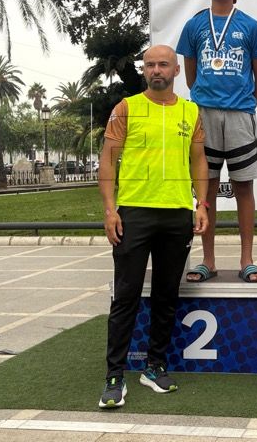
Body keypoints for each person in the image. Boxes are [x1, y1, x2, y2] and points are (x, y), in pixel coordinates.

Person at [98, 44, 209, 409]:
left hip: (176, 214)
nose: (156, 70)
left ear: (176, 70)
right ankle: (115, 376)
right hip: (134, 214)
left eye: (163, 64)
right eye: (150, 65)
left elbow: (199, 162)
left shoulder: (191, 111)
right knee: (126, 295)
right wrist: (110, 210)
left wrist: (201, 204)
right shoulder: (126, 107)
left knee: (166, 295)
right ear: (144, 70)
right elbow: (108, 161)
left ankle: (154, 366)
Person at [176, 0, 257, 283]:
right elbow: (191, 75)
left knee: (244, 186)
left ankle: (247, 259)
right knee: (207, 188)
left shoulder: (251, 26)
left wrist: (244, 104)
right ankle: (208, 260)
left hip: (240, 115)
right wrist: (206, 100)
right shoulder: (194, 25)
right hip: (204, 114)